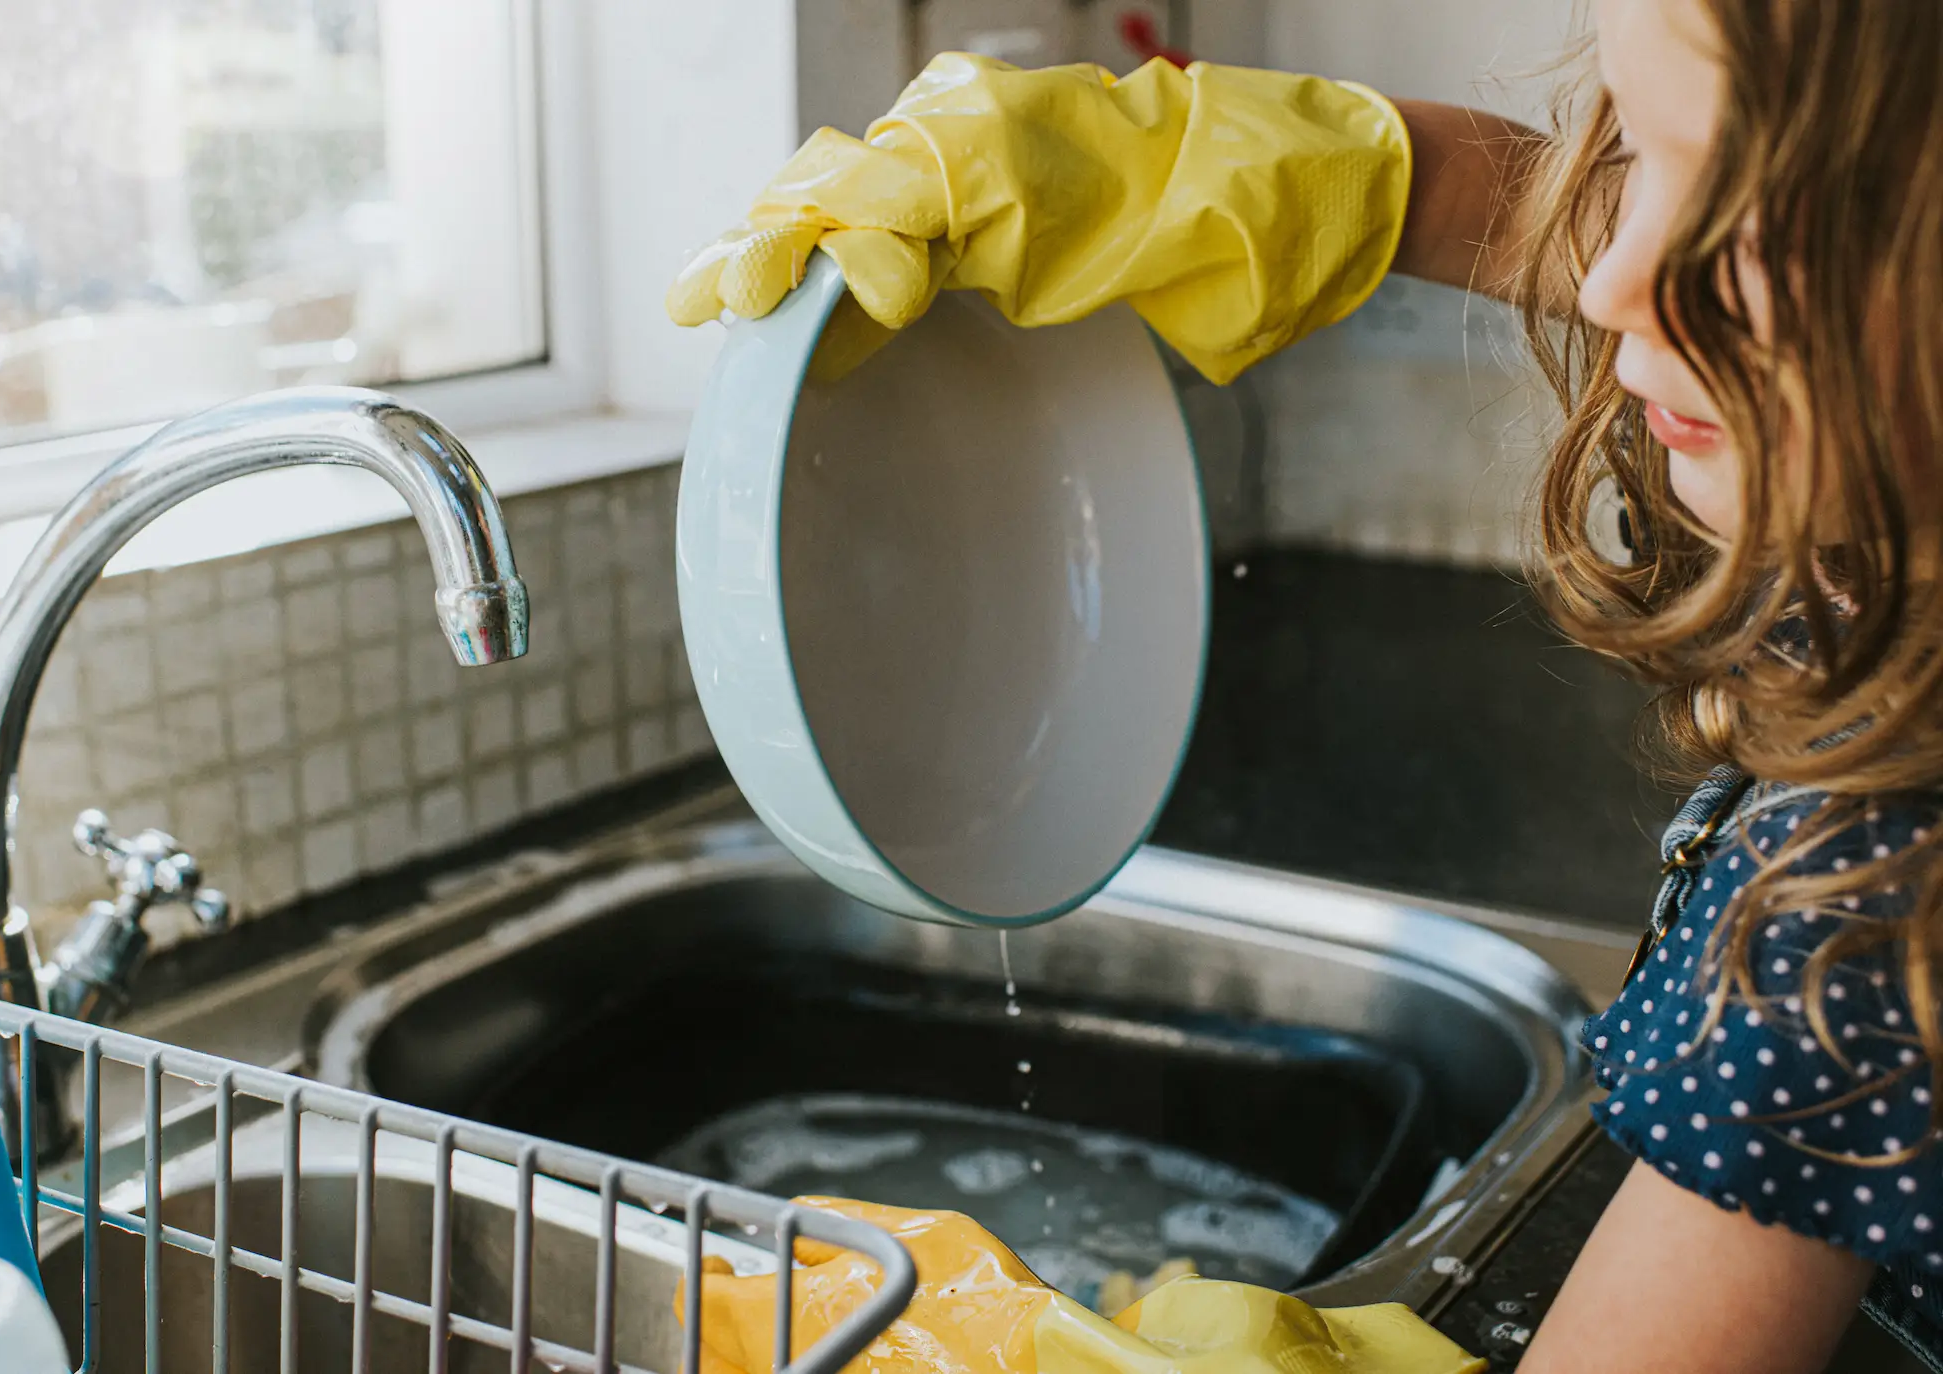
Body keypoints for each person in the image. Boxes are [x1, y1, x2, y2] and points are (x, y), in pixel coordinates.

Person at [667, 2, 1943, 1371]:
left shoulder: (1877, 889)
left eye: (1747, 207)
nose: (1613, 275)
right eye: (1637, 151)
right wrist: (1304, 172)